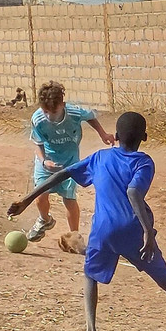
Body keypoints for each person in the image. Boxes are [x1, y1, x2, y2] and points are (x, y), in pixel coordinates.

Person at [8, 111, 166, 331]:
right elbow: (133, 191)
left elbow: (62, 174)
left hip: (104, 231)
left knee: (90, 274)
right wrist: (148, 231)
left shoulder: (100, 158)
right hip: (134, 230)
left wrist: (27, 200)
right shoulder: (143, 162)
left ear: (117, 136)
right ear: (145, 137)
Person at [26, 81, 113, 242]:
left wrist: (103, 134)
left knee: (69, 199)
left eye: (54, 110)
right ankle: (45, 220)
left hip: (70, 162)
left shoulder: (74, 112)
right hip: (47, 160)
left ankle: (75, 236)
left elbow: (91, 117)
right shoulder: (37, 119)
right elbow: (37, 144)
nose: (49, 115)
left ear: (62, 104)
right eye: (46, 111)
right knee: (40, 195)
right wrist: (44, 161)